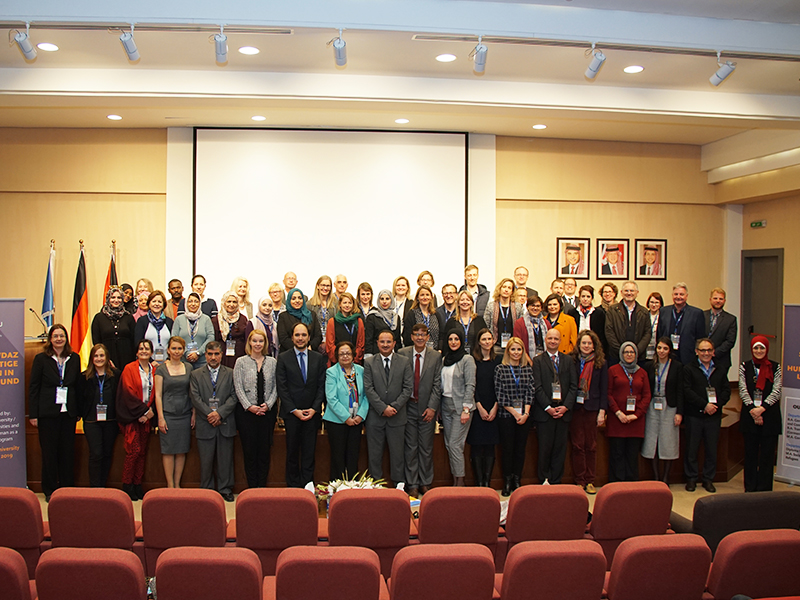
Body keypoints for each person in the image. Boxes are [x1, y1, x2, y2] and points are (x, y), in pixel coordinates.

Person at [29, 324, 80, 501]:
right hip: (47, 414)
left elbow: (77, 386)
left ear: (66, 338)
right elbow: (34, 387)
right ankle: (50, 489)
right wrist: (33, 414)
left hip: (68, 413)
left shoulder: (74, 358)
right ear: (50, 339)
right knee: (49, 453)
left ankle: (66, 487)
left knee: (67, 452)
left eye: (62, 336)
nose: (59, 339)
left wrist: (77, 410)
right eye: (56, 336)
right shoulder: (41, 359)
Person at [276, 322, 327, 487]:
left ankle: (307, 486)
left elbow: (321, 386)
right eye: (297, 335)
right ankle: (293, 488)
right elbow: (282, 387)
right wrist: (294, 410)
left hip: (312, 414)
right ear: (292, 338)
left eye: (304, 335)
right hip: (292, 414)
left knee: (309, 452)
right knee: (292, 452)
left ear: (309, 337)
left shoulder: (318, 358)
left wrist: (314, 409)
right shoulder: (283, 358)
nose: (300, 338)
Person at [190, 341, 238, 501]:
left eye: (216, 354)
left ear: (221, 355)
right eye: (210, 354)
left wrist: (220, 414)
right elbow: (195, 398)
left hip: (225, 422)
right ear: (205, 355)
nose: (213, 357)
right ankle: (207, 489)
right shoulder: (196, 374)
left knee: (225, 459)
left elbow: (234, 396)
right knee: (206, 460)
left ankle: (225, 489)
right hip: (205, 422)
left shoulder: (230, 373)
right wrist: (210, 414)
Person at [364, 330, 413, 486]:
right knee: (374, 454)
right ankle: (376, 485)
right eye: (382, 342)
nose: (385, 345)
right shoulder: (369, 362)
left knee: (398, 454)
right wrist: (382, 408)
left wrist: (394, 407)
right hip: (375, 417)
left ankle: (399, 485)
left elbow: (408, 388)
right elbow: (368, 388)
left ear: (394, 343)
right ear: (377, 343)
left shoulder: (404, 362)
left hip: (397, 416)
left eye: (388, 342)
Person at [398, 324, 442, 496]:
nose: (420, 337)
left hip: (426, 408)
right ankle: (412, 484)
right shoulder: (402, 353)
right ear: (411, 337)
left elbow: (437, 384)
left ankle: (425, 482)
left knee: (426, 447)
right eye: (416, 334)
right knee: (410, 447)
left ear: (428, 337)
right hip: (407, 407)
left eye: (423, 334)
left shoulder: (435, 356)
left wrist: (432, 407)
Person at [683, 338, 731, 493]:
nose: (706, 353)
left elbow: (726, 391)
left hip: (713, 416)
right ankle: (691, 479)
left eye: (709, 350)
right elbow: (687, 391)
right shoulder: (688, 369)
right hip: (694, 415)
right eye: (702, 350)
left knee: (711, 449)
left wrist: (716, 406)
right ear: (696, 351)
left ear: (713, 352)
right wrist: (704, 405)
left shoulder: (720, 369)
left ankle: (708, 479)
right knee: (692, 449)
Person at [234, 329, 279, 488]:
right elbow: (238, 387)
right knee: (249, 452)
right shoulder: (241, 362)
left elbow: (276, 387)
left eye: (261, 341)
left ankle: (262, 487)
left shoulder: (272, 362)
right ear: (249, 343)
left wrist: (269, 404)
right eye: (255, 341)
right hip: (247, 415)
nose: (258, 344)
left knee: (264, 452)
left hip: (267, 414)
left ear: (265, 343)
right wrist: (249, 406)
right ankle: (252, 487)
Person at [532, 328, 577, 485]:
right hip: (545, 413)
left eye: (556, 339)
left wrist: (565, 407)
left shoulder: (568, 360)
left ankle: (556, 480)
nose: (552, 341)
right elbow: (537, 387)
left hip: (563, 412)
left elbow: (573, 386)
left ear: (560, 341)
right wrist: (548, 407)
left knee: (560, 449)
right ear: (545, 340)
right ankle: (543, 480)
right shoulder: (538, 361)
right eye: (550, 338)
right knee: (544, 449)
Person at [739, 336, 782, 492]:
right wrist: (753, 410)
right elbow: (742, 390)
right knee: (750, 455)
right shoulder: (744, 366)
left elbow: (777, 391)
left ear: (767, 349)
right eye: (756, 348)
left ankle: (764, 489)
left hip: (769, 416)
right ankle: (750, 488)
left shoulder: (776, 367)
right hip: (749, 416)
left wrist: (761, 409)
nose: (759, 351)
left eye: (762, 348)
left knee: (767, 456)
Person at [117, 339, 156, 501]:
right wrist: (143, 411)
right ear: (136, 352)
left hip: (147, 417)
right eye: (141, 348)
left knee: (142, 453)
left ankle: (137, 484)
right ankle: (127, 485)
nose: (144, 351)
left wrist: (149, 413)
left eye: (147, 348)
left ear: (152, 352)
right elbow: (128, 393)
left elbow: (156, 393)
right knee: (133, 452)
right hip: (133, 417)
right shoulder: (129, 368)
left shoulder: (154, 370)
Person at [569, 330, 608, 494]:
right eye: (583, 343)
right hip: (576, 409)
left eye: (589, 343)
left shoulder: (601, 363)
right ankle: (580, 480)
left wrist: (602, 411)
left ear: (594, 346)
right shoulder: (571, 361)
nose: (586, 346)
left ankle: (590, 480)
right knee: (578, 445)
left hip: (592, 408)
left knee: (591, 446)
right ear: (579, 345)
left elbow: (604, 389)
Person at [324, 341, 369, 481]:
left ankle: (352, 486)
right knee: (338, 456)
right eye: (341, 354)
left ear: (353, 355)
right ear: (337, 356)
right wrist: (346, 418)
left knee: (353, 455)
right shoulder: (332, 372)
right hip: (337, 421)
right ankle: (337, 486)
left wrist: (360, 415)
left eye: (348, 353)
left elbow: (367, 395)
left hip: (356, 420)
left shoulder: (361, 370)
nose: (345, 356)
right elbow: (331, 398)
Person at [495, 336, 534, 496]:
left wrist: (525, 413)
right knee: (507, 449)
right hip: (506, 416)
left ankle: (517, 480)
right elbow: (500, 395)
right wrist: (516, 413)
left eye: (519, 349)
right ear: (508, 351)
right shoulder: (500, 369)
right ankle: (507, 481)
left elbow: (530, 392)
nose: (516, 352)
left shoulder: (527, 369)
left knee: (520, 449)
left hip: (524, 416)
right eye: (513, 349)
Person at [606, 342, 650, 482]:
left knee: (632, 455)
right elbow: (608, 394)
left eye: (632, 352)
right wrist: (618, 412)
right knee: (617, 454)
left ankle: (631, 485)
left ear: (636, 355)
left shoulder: (642, 373)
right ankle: (617, 484)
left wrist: (636, 415)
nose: (629, 354)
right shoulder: (613, 370)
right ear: (621, 354)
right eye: (626, 352)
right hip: (617, 419)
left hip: (635, 421)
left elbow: (647, 396)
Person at [154, 336, 194, 488]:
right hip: (168, 415)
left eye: (179, 348)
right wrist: (160, 417)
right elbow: (158, 395)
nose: (176, 351)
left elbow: (192, 393)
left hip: (185, 414)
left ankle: (177, 485)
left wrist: (194, 414)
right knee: (169, 451)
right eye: (174, 348)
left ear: (183, 351)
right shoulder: (161, 369)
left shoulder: (189, 367)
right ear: (168, 350)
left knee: (181, 450)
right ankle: (170, 486)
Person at [642, 337, 683, 483]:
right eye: (659, 348)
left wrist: (679, 412)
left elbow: (680, 391)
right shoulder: (650, 365)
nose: (662, 351)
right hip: (652, 405)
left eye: (665, 348)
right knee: (651, 441)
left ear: (670, 350)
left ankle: (665, 478)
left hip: (669, 405)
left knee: (668, 441)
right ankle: (656, 477)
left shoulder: (677, 367)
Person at [78, 344, 119, 488]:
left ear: (107, 358)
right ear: (91, 358)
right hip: (91, 422)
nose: (99, 358)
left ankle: (103, 486)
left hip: (111, 421)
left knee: (107, 454)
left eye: (102, 355)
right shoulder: (84, 377)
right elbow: (79, 399)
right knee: (96, 454)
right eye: (96, 356)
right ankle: (95, 488)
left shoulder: (115, 375)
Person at [439, 330, 476, 486]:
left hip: (461, 407)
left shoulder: (467, 359)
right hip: (446, 406)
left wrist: (466, 409)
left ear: (461, 341)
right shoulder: (445, 359)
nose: (453, 342)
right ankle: (455, 479)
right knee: (449, 444)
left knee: (455, 444)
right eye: (450, 339)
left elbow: (470, 384)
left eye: (456, 339)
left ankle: (460, 482)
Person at [467, 329, 500, 487]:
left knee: (490, 446)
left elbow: (501, 385)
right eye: (484, 339)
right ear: (479, 342)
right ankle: (478, 482)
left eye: (489, 339)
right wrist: (479, 406)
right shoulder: (472, 360)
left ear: (493, 341)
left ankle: (487, 482)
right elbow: (472, 385)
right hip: (477, 407)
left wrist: (495, 407)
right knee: (476, 444)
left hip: (494, 406)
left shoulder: (499, 360)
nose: (487, 342)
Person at [657, 283, 706, 365]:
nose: (678, 297)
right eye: (676, 294)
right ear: (672, 295)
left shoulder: (696, 313)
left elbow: (700, 338)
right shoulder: (664, 311)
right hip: (667, 356)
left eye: (681, 294)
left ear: (686, 296)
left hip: (687, 357)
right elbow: (660, 333)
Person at [605, 281, 651, 366]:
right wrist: (622, 351)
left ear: (637, 293)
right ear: (621, 293)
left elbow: (647, 333)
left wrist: (635, 352)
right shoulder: (612, 310)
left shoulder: (644, 312)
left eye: (632, 291)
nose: (629, 293)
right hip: (616, 357)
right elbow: (609, 332)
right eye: (626, 291)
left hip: (638, 357)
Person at [91, 287, 136, 369]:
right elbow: (96, 341)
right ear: (108, 299)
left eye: (119, 297)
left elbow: (134, 340)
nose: (116, 300)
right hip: (106, 359)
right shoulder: (99, 318)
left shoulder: (128, 317)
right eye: (113, 297)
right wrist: (104, 358)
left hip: (127, 359)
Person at [173, 292, 215, 369]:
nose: (193, 304)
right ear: (186, 303)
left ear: (200, 304)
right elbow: (174, 338)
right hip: (183, 361)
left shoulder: (206, 319)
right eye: (190, 301)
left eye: (196, 301)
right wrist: (186, 353)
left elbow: (211, 337)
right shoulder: (179, 319)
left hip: (202, 361)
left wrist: (198, 353)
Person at [484, 277, 523, 358]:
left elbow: (521, 326)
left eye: (509, 288)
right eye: (504, 287)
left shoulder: (517, 307)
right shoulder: (491, 306)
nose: (506, 290)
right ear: (500, 289)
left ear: (512, 291)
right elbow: (486, 325)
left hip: (513, 347)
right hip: (495, 345)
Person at [705, 287, 738, 378]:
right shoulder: (701, 315)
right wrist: (704, 352)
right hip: (702, 358)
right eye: (715, 298)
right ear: (710, 299)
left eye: (721, 299)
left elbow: (730, 341)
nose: (718, 301)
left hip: (721, 360)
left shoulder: (730, 319)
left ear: (724, 301)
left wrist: (713, 353)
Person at [277, 288, 323, 353]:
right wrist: (298, 349)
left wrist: (309, 347)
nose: (297, 301)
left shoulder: (312, 315)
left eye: (300, 298)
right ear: (289, 300)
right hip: (289, 353)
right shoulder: (283, 316)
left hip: (310, 352)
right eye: (293, 298)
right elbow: (283, 338)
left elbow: (318, 336)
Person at [134, 290, 174, 364]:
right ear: (149, 303)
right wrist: (151, 361)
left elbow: (173, 343)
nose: (156, 304)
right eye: (154, 301)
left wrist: (169, 359)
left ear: (164, 304)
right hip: (147, 362)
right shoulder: (142, 321)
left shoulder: (169, 322)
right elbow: (138, 343)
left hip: (167, 363)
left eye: (159, 302)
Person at [326, 292, 365, 366]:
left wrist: (354, 359)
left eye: (350, 303)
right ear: (340, 304)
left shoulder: (358, 321)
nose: (347, 305)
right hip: (337, 363)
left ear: (353, 304)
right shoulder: (332, 322)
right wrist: (340, 359)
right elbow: (330, 345)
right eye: (344, 303)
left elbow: (361, 344)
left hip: (355, 363)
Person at [443, 291, 487, 355]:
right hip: (456, 357)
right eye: (462, 300)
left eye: (468, 300)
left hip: (477, 356)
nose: (465, 302)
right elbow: (446, 342)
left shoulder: (479, 320)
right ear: (458, 303)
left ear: (472, 303)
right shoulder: (451, 321)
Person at [213, 291, 249, 368]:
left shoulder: (243, 319)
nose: (231, 304)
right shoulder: (216, 320)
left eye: (234, 302)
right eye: (229, 301)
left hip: (239, 356)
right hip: (222, 356)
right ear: (224, 303)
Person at [365, 289, 401, 357]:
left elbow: (397, 339)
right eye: (382, 299)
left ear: (391, 300)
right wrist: (368, 356)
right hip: (376, 355)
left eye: (387, 299)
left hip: (392, 355)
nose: (384, 301)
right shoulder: (372, 316)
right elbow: (368, 340)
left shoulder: (396, 317)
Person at [403, 285, 439, 350]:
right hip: (417, 351)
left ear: (431, 297)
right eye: (422, 295)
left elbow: (441, 334)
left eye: (427, 295)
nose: (425, 297)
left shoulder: (436, 314)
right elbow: (407, 335)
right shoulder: (411, 314)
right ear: (417, 297)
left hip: (434, 351)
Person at [576, 285, 607, 356]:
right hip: (577, 350)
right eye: (583, 296)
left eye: (588, 296)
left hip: (594, 350)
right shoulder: (572, 313)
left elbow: (602, 336)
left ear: (592, 298)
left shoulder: (599, 313)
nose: (585, 299)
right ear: (579, 298)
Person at [514, 295, 547, 359]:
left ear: (541, 308)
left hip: (544, 359)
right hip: (525, 359)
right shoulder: (519, 323)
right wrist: (530, 361)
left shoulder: (546, 323)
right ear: (527, 307)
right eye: (532, 305)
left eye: (538, 306)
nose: (535, 308)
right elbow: (518, 345)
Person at [308, 275, 335, 352]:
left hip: (332, 342)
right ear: (317, 286)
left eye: (328, 286)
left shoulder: (336, 304)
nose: (325, 288)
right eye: (323, 285)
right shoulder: (309, 304)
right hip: (315, 343)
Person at [435, 284, 458, 350]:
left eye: (451, 293)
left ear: (456, 295)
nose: (448, 296)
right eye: (446, 293)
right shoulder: (436, 312)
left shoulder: (461, 312)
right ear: (442, 296)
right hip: (440, 348)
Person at [393, 276, 413, 341]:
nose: (400, 287)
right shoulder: (389, 302)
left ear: (407, 288)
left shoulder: (412, 304)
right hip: (391, 337)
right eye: (398, 285)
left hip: (407, 338)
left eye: (403, 285)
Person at [645, 292, 664, 361]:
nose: (654, 305)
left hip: (658, 348)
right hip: (645, 348)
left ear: (660, 304)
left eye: (656, 302)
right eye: (652, 302)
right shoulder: (644, 315)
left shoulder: (663, 317)